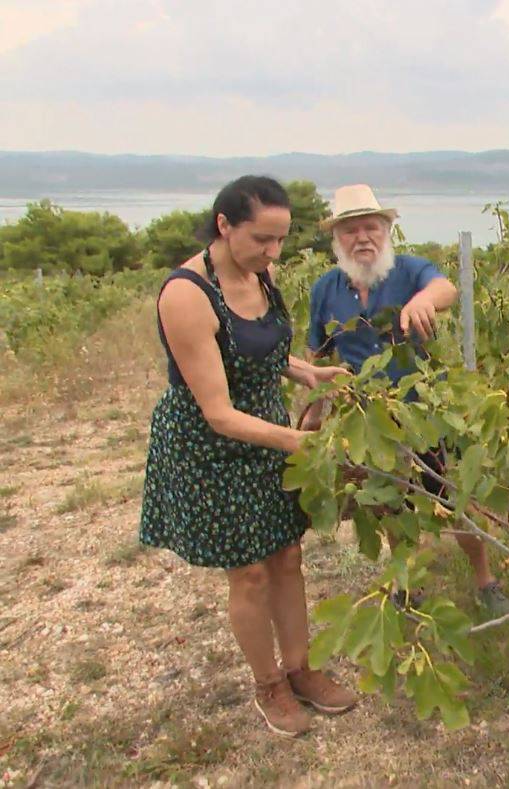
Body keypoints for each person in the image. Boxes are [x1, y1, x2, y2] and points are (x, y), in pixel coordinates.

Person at [140, 176, 357, 738]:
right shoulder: (186, 294)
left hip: (267, 430)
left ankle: (301, 669)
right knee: (251, 572)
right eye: (263, 239)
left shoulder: (262, 272)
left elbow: (256, 345)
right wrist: (304, 444)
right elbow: (218, 411)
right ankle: (270, 685)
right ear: (224, 225)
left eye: (281, 240)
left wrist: (305, 369)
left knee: (287, 556)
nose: (273, 252)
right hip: (212, 447)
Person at [303, 184, 509, 617]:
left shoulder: (411, 271)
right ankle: (404, 584)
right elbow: (317, 355)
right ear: (336, 240)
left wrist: (423, 301)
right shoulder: (325, 290)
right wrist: (313, 411)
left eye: (371, 227)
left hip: (426, 414)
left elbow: (445, 290)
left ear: (387, 231)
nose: (362, 237)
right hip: (369, 422)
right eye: (350, 230)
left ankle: (485, 581)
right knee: (390, 503)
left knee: (455, 499)